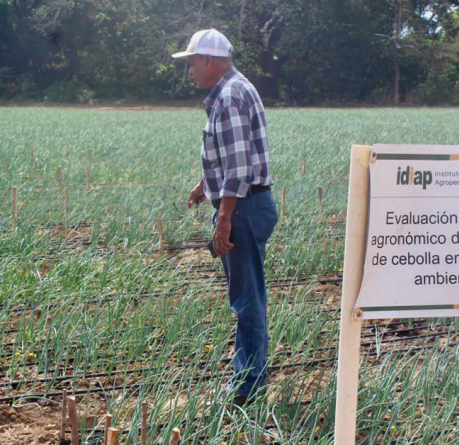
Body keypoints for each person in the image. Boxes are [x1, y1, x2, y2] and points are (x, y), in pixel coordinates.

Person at [173, 29, 278, 405]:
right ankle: (247, 380)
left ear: (209, 61)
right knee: (248, 297)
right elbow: (234, 153)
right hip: (247, 203)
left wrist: (224, 218)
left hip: (244, 207)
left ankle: (247, 391)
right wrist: (206, 184)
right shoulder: (232, 90)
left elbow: (238, 165)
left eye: (192, 63)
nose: (190, 72)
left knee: (247, 301)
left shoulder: (230, 96)